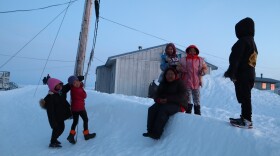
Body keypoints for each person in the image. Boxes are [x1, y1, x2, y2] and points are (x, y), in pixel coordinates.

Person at [224, 17, 258, 128]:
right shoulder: (253, 43)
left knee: (245, 97)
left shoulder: (242, 42)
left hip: (243, 74)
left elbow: (236, 59)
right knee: (246, 97)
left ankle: (247, 120)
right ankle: (245, 118)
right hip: (250, 73)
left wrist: (232, 72)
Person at [143, 68, 187, 139]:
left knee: (163, 110)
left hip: (179, 104)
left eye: (171, 74)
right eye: (168, 74)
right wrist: (159, 100)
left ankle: (156, 134)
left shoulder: (180, 84)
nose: (169, 76)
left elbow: (182, 97)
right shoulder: (163, 83)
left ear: (175, 75)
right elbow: (156, 95)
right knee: (152, 109)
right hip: (165, 103)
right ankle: (150, 131)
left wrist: (168, 99)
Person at [39, 78, 72, 148]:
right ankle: (52, 142)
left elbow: (67, 86)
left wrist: (77, 79)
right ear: (53, 86)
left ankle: (54, 140)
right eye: (58, 86)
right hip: (55, 118)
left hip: (60, 116)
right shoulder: (50, 97)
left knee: (62, 128)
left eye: (60, 85)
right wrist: (53, 122)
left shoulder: (60, 92)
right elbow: (50, 112)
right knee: (57, 129)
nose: (60, 87)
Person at [176, 45, 208, 115]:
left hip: (197, 82)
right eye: (190, 50)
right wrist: (182, 69)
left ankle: (197, 113)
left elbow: (205, 68)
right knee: (188, 99)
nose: (192, 52)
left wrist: (203, 71)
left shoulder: (200, 60)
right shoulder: (183, 59)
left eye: (194, 50)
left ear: (196, 51)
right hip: (186, 82)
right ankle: (188, 113)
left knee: (197, 99)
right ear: (187, 51)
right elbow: (178, 67)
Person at [66, 75, 96, 144]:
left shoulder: (72, 88)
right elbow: (85, 95)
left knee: (75, 122)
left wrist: (80, 85)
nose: (76, 83)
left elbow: (78, 85)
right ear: (72, 84)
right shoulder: (78, 90)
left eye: (76, 81)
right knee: (85, 120)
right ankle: (86, 135)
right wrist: (81, 86)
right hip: (80, 108)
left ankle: (71, 135)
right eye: (74, 83)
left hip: (74, 108)